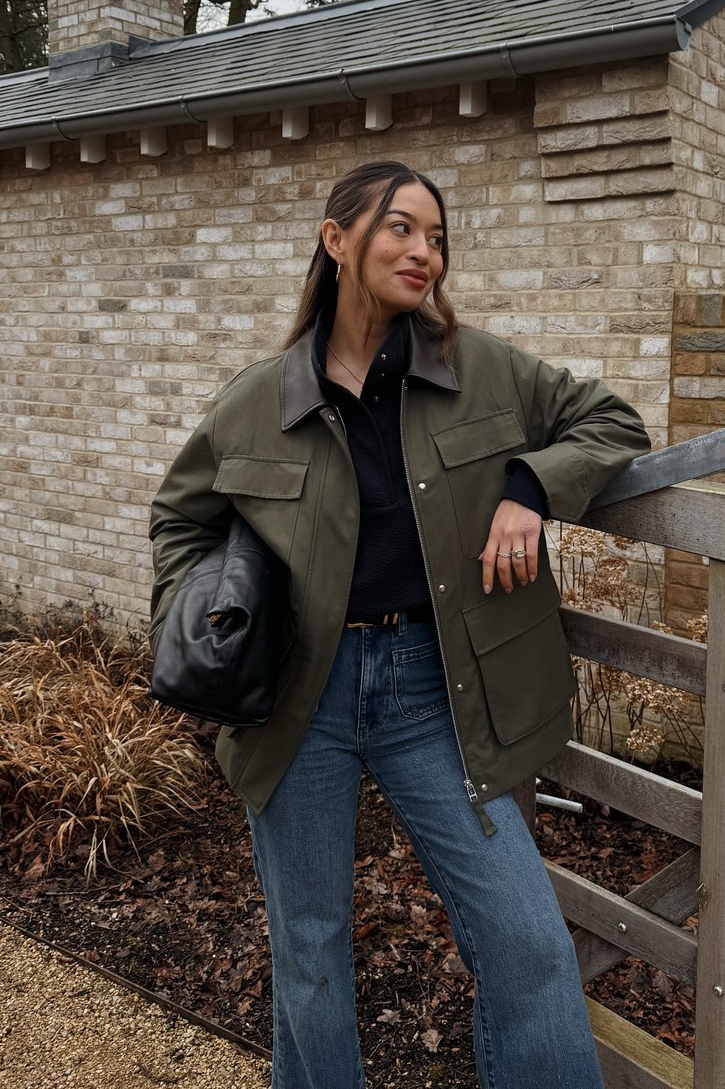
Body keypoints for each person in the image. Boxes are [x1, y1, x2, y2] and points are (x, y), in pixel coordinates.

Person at [149, 160, 650, 1089]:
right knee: (309, 949)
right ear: (336, 239)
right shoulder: (256, 401)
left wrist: (530, 488)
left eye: (438, 238)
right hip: (298, 698)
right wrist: (196, 623)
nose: (426, 253)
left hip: (436, 692)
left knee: (528, 942)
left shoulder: (482, 368)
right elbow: (181, 518)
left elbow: (614, 424)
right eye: (402, 229)